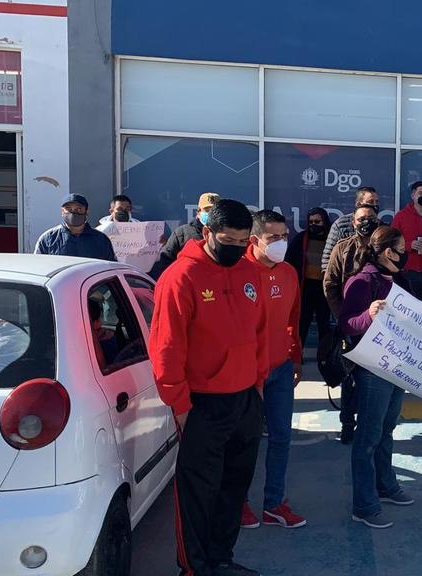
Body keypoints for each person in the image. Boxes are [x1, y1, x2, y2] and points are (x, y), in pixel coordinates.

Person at [149, 199, 268, 576]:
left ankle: (221, 559)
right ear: (206, 234)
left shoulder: (249, 271)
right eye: (228, 240)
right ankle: (195, 568)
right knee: (199, 493)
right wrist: (180, 406)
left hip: (245, 399)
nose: (236, 248)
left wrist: (257, 385)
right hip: (203, 404)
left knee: (234, 488)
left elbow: (259, 333)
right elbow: (166, 348)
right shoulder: (180, 278)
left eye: (243, 241)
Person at [338, 225, 416, 529]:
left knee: (386, 430)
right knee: (368, 437)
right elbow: (347, 324)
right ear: (386, 252)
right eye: (401, 248)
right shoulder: (361, 281)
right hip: (373, 369)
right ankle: (364, 504)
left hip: (397, 367)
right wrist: (368, 315)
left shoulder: (399, 280)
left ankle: (385, 485)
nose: (405, 253)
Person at [239, 210, 306, 531]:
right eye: (273, 238)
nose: (281, 242)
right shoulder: (237, 272)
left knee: (281, 438)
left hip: (280, 368)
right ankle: (237, 503)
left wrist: (295, 357)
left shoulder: (289, 272)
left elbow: (293, 319)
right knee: (245, 440)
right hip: (247, 374)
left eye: (284, 236)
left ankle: (273, 503)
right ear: (254, 240)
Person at [323, 204, 380, 444]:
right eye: (361, 219)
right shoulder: (342, 248)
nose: (366, 222)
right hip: (352, 324)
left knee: (375, 379)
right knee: (350, 377)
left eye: (371, 218)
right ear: (353, 223)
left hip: (379, 325)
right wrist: (342, 317)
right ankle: (348, 424)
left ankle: (368, 427)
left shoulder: (383, 246)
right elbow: (330, 285)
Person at [284, 207, 333, 345]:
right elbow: (289, 261)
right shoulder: (301, 238)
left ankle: (325, 356)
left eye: (317, 221)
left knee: (324, 323)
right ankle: (297, 355)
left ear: (324, 221)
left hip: (324, 288)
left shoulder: (331, 239)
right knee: (302, 322)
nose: (313, 225)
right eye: (311, 222)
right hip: (305, 287)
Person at [151, 192, 220, 279]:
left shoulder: (225, 235)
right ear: (198, 212)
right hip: (189, 285)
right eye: (207, 210)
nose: (211, 214)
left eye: (214, 211)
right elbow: (164, 262)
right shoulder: (182, 233)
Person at [34, 194, 117, 261]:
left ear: (87, 212)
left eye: (79, 209)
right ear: (62, 212)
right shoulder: (48, 239)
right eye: (68, 209)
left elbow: (111, 268)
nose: (73, 213)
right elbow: (38, 268)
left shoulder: (101, 240)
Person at [321, 186, 379, 270]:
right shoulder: (340, 225)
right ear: (358, 204)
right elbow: (328, 259)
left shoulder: (380, 225)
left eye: (376, 202)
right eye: (371, 202)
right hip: (346, 278)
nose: (375, 205)